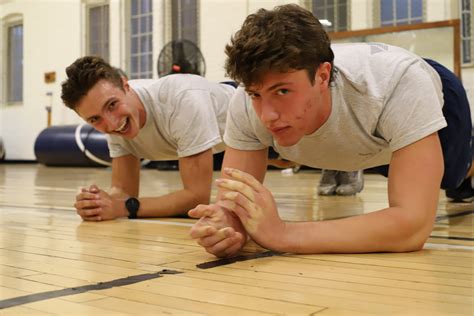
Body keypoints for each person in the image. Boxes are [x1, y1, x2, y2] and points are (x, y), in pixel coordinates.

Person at [188, 4, 473, 257]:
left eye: (282, 90)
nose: (267, 115)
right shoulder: (245, 102)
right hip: (370, 129)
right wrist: (227, 225)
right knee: (396, 169)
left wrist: (284, 233)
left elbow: (412, 228)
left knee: (452, 177)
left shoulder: (400, 84)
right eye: (256, 94)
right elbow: (235, 206)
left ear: (323, 76)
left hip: (431, 88)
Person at [61, 56, 235, 221]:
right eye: (94, 119)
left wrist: (125, 207)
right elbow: (123, 191)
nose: (112, 124)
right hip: (218, 143)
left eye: (112, 105)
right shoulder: (116, 121)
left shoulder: (182, 99)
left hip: (250, 118)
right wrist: (98, 204)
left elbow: (197, 198)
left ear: (125, 85)